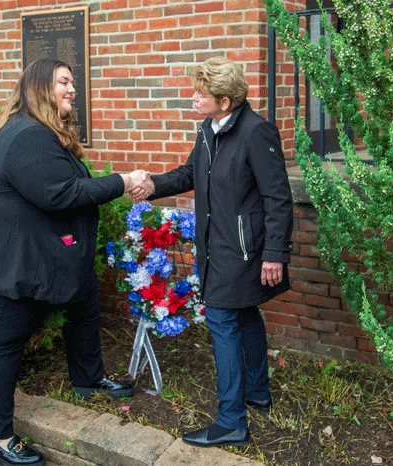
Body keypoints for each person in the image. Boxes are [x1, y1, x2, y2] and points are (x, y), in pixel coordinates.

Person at [0, 58, 150, 466]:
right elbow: (61, 193)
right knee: (3, 345)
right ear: (40, 87)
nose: (72, 89)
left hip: (46, 254)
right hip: (13, 264)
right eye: (64, 81)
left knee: (84, 305)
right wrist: (122, 181)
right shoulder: (27, 136)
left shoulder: (39, 132)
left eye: (73, 82)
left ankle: (88, 379)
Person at [130, 57, 293, 448]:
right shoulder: (209, 129)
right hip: (214, 244)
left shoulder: (256, 132)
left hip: (243, 250)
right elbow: (190, 173)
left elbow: (278, 198)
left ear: (223, 99)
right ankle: (256, 393)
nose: (193, 99)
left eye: (200, 94)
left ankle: (231, 422)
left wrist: (274, 253)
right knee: (245, 315)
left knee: (221, 320)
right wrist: (154, 185)